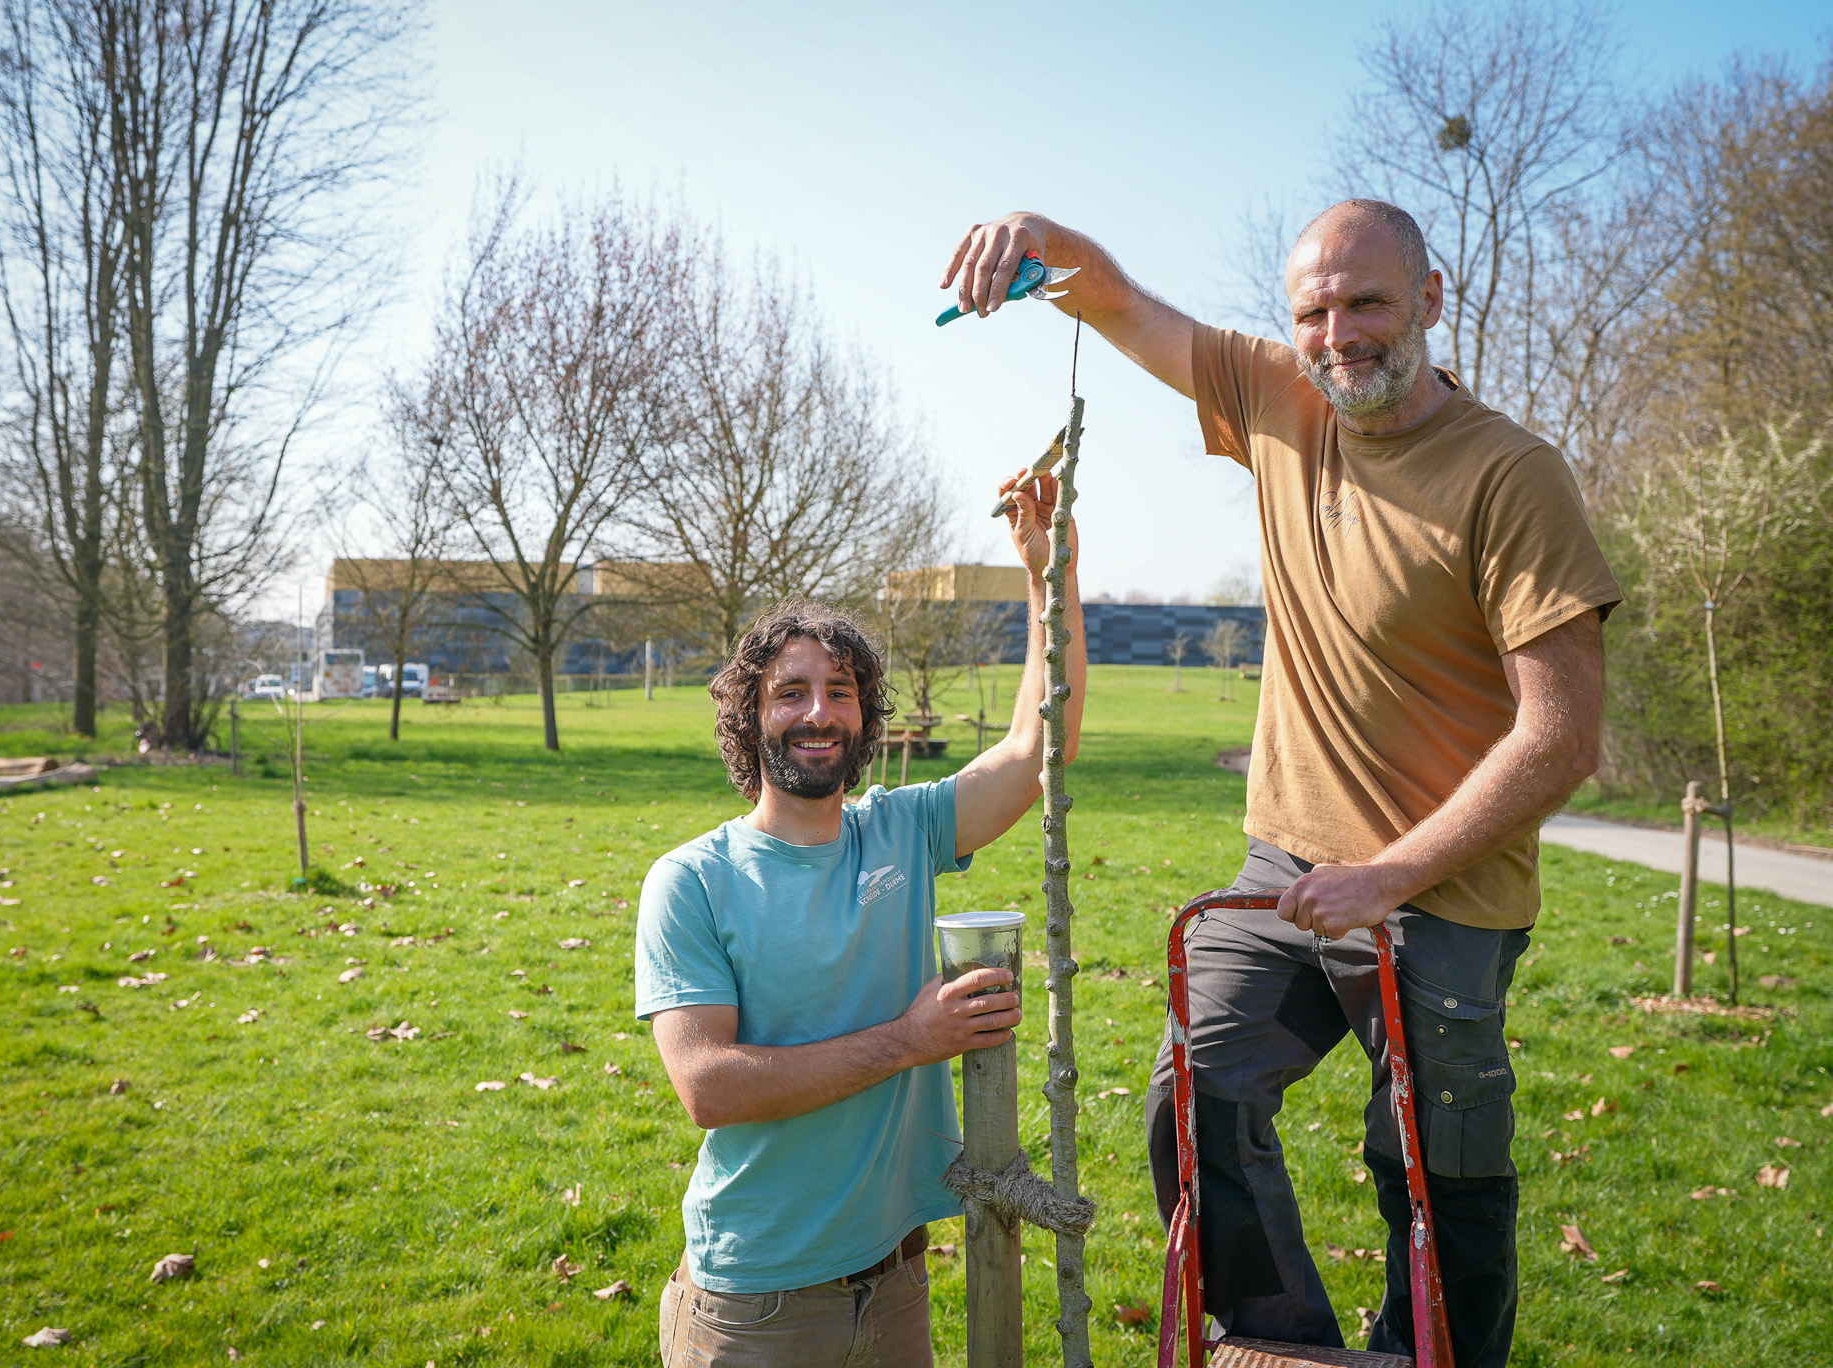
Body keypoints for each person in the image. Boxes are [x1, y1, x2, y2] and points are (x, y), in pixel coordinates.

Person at [937, 201, 1620, 1367]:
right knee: (1193, 1097)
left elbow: (1559, 736)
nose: (1336, 333)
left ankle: (1430, 1353)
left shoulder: (1510, 476)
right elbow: (1116, 302)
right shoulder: (1273, 397)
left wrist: (1389, 875)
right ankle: (1278, 1345)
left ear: (1429, 300)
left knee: (1437, 1172)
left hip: (1443, 894)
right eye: (1312, 310)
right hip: (1281, 870)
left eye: (1366, 303)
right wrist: (1034, 234)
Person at [637, 472, 1086, 1367]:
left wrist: (1050, 575)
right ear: (750, 718)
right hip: (755, 1305)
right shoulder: (692, 881)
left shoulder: (903, 830)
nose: (819, 712)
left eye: (840, 690)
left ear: (865, 716)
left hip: (895, 1286)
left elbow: (1042, 746)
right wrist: (911, 1041)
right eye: (791, 692)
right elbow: (708, 1086)